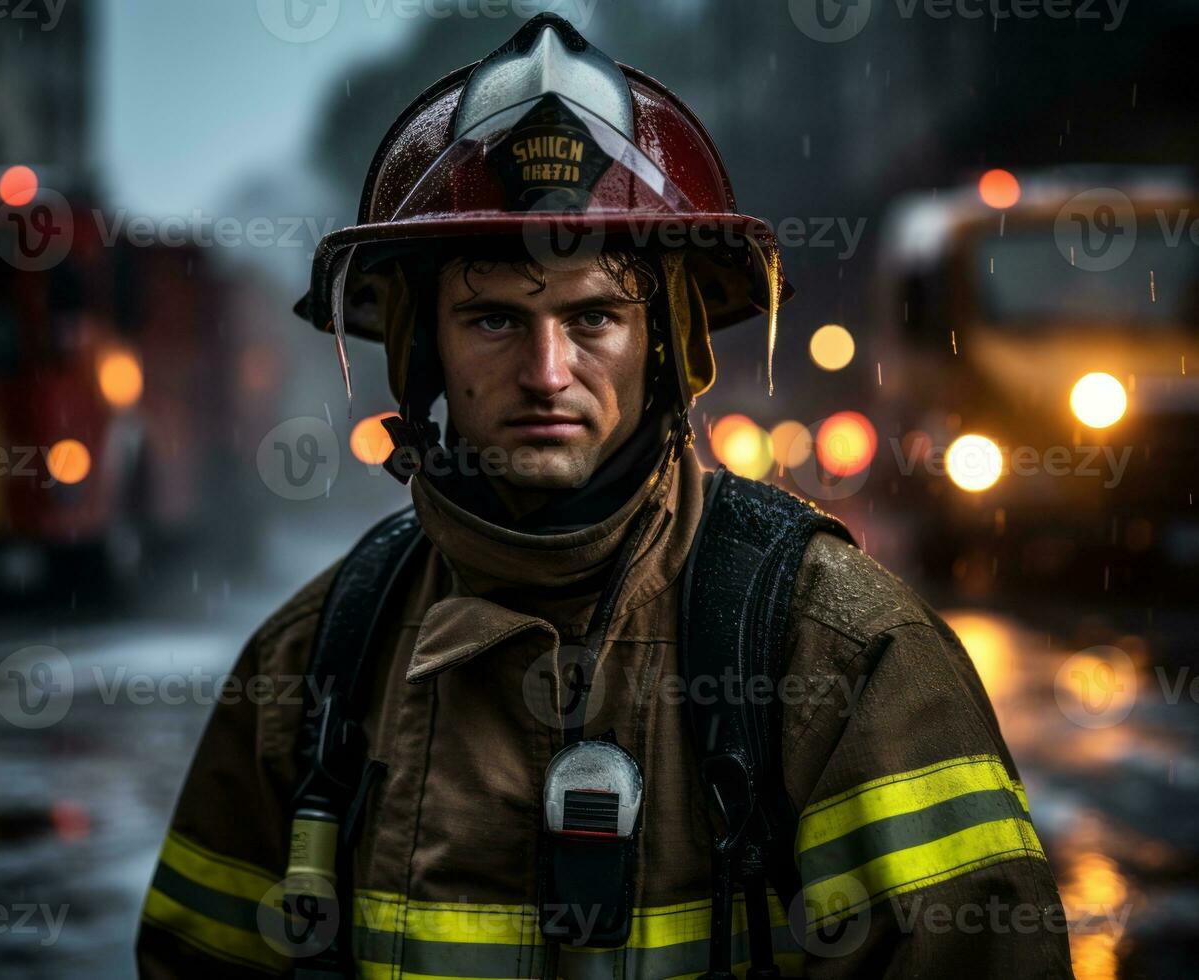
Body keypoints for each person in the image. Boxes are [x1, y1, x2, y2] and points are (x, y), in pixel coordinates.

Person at [137, 13, 1073, 979]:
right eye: (493, 318)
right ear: (422, 353)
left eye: (592, 317)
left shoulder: (835, 653)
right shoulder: (314, 664)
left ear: (664, 345)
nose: (547, 371)